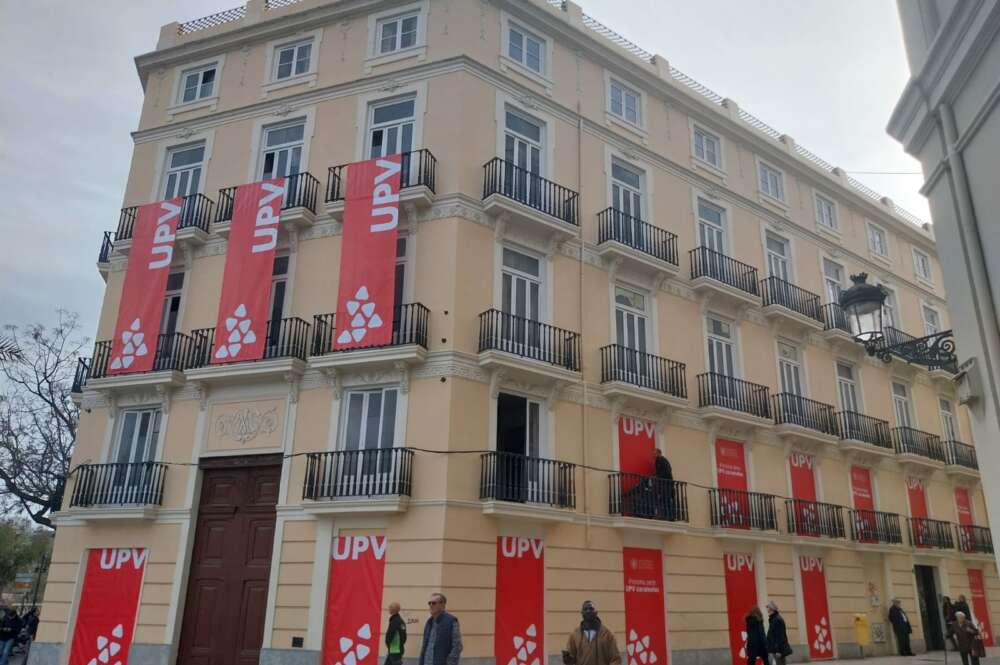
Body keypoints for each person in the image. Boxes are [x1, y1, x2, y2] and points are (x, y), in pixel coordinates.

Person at [563, 601, 621, 665]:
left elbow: (616, 659)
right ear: (582, 613)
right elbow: (571, 659)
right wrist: (568, 660)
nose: (588, 611)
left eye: (591, 609)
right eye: (585, 609)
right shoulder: (574, 635)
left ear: (596, 612)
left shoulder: (607, 634)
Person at [419, 593, 462, 665]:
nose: (431, 605)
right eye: (429, 603)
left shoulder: (451, 621)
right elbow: (425, 646)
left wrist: (450, 662)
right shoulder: (429, 622)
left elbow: (457, 646)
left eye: (434, 603)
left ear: (442, 605)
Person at [654, 449, 674, 520]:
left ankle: (669, 516)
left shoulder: (663, 460)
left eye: (655, 453)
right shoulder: (657, 461)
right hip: (662, 484)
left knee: (667, 499)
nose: (654, 454)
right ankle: (664, 515)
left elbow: (668, 470)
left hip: (667, 483)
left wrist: (659, 476)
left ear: (659, 453)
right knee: (663, 499)